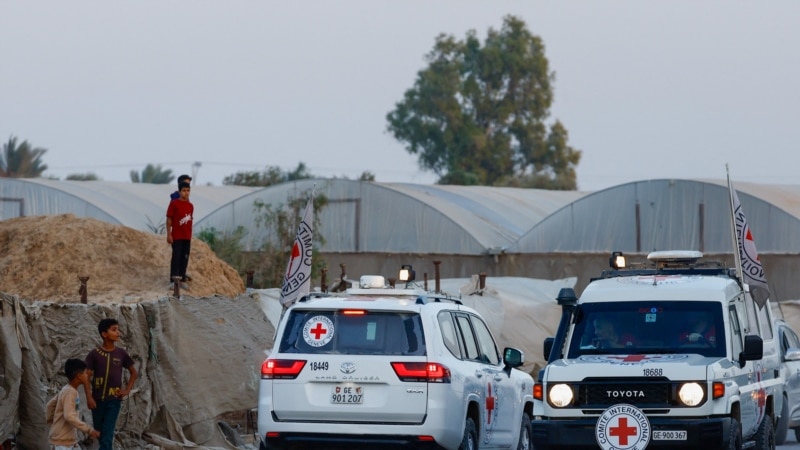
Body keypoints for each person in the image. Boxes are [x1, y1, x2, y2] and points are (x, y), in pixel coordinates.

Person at [84, 318, 137, 450]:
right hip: (97, 401)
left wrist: (127, 390)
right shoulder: (94, 354)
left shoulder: (121, 353)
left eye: (118, 329)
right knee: (100, 433)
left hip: (113, 401)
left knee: (107, 434)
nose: (118, 332)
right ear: (104, 334)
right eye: (114, 330)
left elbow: (134, 372)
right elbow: (86, 376)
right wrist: (89, 397)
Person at [47, 358, 100, 449]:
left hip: (66, 441)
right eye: (85, 373)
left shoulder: (66, 390)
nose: (88, 375)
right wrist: (89, 430)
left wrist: (53, 423)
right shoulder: (70, 392)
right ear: (79, 376)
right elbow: (69, 416)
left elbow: (50, 406)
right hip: (62, 443)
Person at [166, 181, 194, 288]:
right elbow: (169, 220)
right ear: (179, 191)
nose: (186, 193)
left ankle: (182, 279)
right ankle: (173, 280)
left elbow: (190, 220)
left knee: (184, 257)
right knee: (176, 257)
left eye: (188, 191)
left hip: (187, 236)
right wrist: (169, 234)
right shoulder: (174, 204)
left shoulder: (190, 206)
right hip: (177, 236)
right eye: (184, 191)